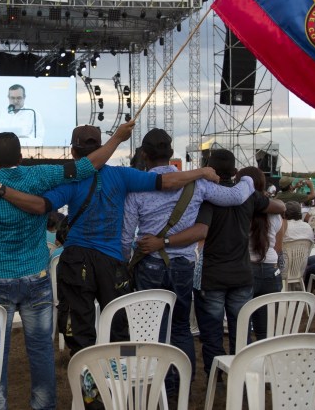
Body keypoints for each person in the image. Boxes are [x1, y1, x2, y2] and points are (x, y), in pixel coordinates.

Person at [0, 126, 233, 362]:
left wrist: (1, 190)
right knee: (118, 331)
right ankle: (117, 384)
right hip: (111, 263)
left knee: (81, 334)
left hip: (76, 262)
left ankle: (90, 390)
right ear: (101, 150)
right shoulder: (123, 176)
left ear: (73, 152)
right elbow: (166, 182)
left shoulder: (70, 181)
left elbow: (40, 206)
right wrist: (200, 171)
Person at [0, 121, 135, 410]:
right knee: (42, 351)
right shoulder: (39, 175)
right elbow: (86, 167)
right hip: (37, 277)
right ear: (21, 157)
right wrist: (117, 138)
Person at [122, 129, 256, 385]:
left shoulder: (137, 187)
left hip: (149, 262)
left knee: (150, 329)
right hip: (183, 264)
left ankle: (155, 385)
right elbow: (235, 196)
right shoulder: (198, 184)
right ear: (171, 154)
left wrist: (125, 262)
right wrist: (246, 179)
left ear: (144, 155)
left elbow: (126, 235)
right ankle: (181, 384)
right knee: (181, 327)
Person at [169, 150, 284, 376]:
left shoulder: (207, 197)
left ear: (209, 169)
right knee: (241, 333)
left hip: (212, 277)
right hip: (241, 275)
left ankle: (215, 379)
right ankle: (241, 376)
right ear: (234, 172)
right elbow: (280, 207)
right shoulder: (249, 196)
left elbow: (200, 230)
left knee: (211, 336)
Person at [242, 167, 285, 341]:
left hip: (245, 271)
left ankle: (241, 365)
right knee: (264, 332)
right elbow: (278, 248)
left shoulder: (240, 210)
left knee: (242, 327)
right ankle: (263, 366)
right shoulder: (276, 215)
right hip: (271, 272)